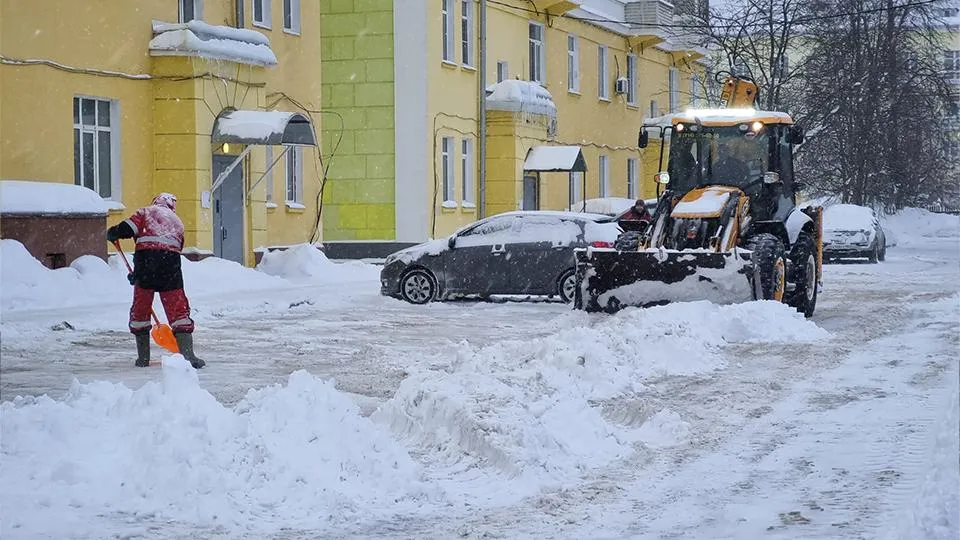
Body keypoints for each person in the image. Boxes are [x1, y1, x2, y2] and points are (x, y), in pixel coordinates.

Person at [106, 193, 205, 369]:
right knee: (177, 309)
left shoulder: (145, 212)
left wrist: (113, 232)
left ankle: (143, 358)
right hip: (171, 266)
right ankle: (188, 355)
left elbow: (127, 229)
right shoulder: (177, 221)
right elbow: (177, 246)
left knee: (141, 308)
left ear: (155, 202)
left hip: (146, 263)